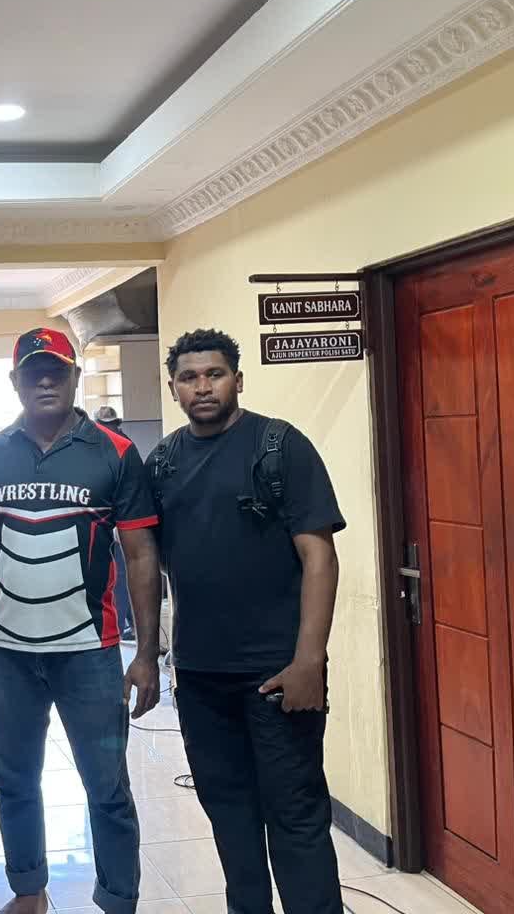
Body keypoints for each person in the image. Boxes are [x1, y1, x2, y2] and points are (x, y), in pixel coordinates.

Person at [0, 327, 163, 914]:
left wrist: (146, 654)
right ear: (15, 381)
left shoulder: (115, 452)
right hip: (7, 654)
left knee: (107, 788)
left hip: (90, 654)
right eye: (33, 372)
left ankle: (118, 902)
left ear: (75, 377)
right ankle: (28, 894)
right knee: (13, 781)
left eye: (56, 370)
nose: (45, 381)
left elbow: (141, 554)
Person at [148, 328, 346, 914]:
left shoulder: (279, 447)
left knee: (296, 817)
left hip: (277, 676)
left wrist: (309, 662)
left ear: (238, 379)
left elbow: (320, 557)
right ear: (173, 388)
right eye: (189, 377)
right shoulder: (163, 464)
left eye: (214, 374)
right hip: (201, 679)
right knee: (230, 818)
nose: (203, 387)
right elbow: (154, 556)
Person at [92, 410, 135, 641]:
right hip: (100, 528)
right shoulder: (90, 446)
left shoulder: (124, 447)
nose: (110, 428)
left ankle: (121, 627)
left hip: (120, 528)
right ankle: (122, 625)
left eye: (112, 424)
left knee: (121, 579)